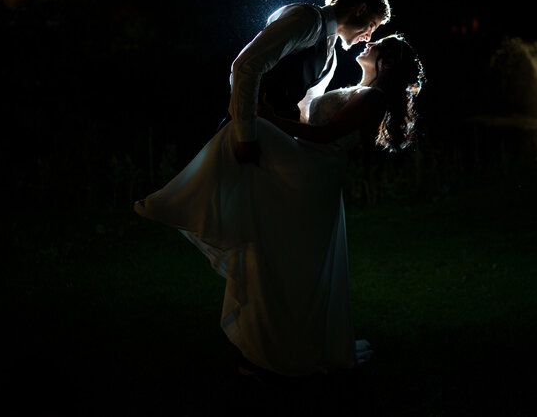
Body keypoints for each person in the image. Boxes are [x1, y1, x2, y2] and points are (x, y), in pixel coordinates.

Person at [134, 33, 425, 377]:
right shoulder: (357, 90)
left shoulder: (373, 98)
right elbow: (310, 124)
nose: (368, 44)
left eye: (377, 46)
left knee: (247, 130)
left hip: (315, 169)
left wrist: (271, 120)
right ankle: (271, 341)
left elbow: (325, 135)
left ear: (386, 62)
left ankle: (179, 202)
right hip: (304, 161)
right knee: (275, 255)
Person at [226, 0, 391, 166]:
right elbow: (246, 65)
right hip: (245, 140)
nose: (368, 36)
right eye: (371, 26)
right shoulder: (308, 19)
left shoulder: (331, 58)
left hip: (275, 150)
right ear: (360, 10)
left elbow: (306, 112)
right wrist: (245, 137)